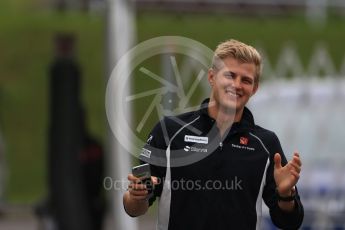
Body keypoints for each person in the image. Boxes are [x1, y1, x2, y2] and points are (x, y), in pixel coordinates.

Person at [123, 39, 304, 229]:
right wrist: (137, 195)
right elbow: (134, 208)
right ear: (212, 77)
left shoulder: (265, 144)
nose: (237, 85)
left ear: (255, 88)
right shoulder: (170, 131)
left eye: (246, 80)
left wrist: (286, 195)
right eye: (230, 75)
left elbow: (290, 222)